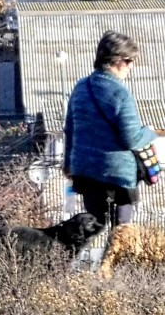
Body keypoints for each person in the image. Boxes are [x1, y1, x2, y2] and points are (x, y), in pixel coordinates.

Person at [63, 31, 157, 255]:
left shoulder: (81, 87)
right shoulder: (120, 94)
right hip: (117, 176)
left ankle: (68, 271)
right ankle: (109, 277)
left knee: (91, 227)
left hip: (86, 171)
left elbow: (70, 129)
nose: (131, 67)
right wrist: (150, 133)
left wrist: (68, 163)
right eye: (129, 61)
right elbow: (132, 138)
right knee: (121, 232)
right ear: (116, 60)